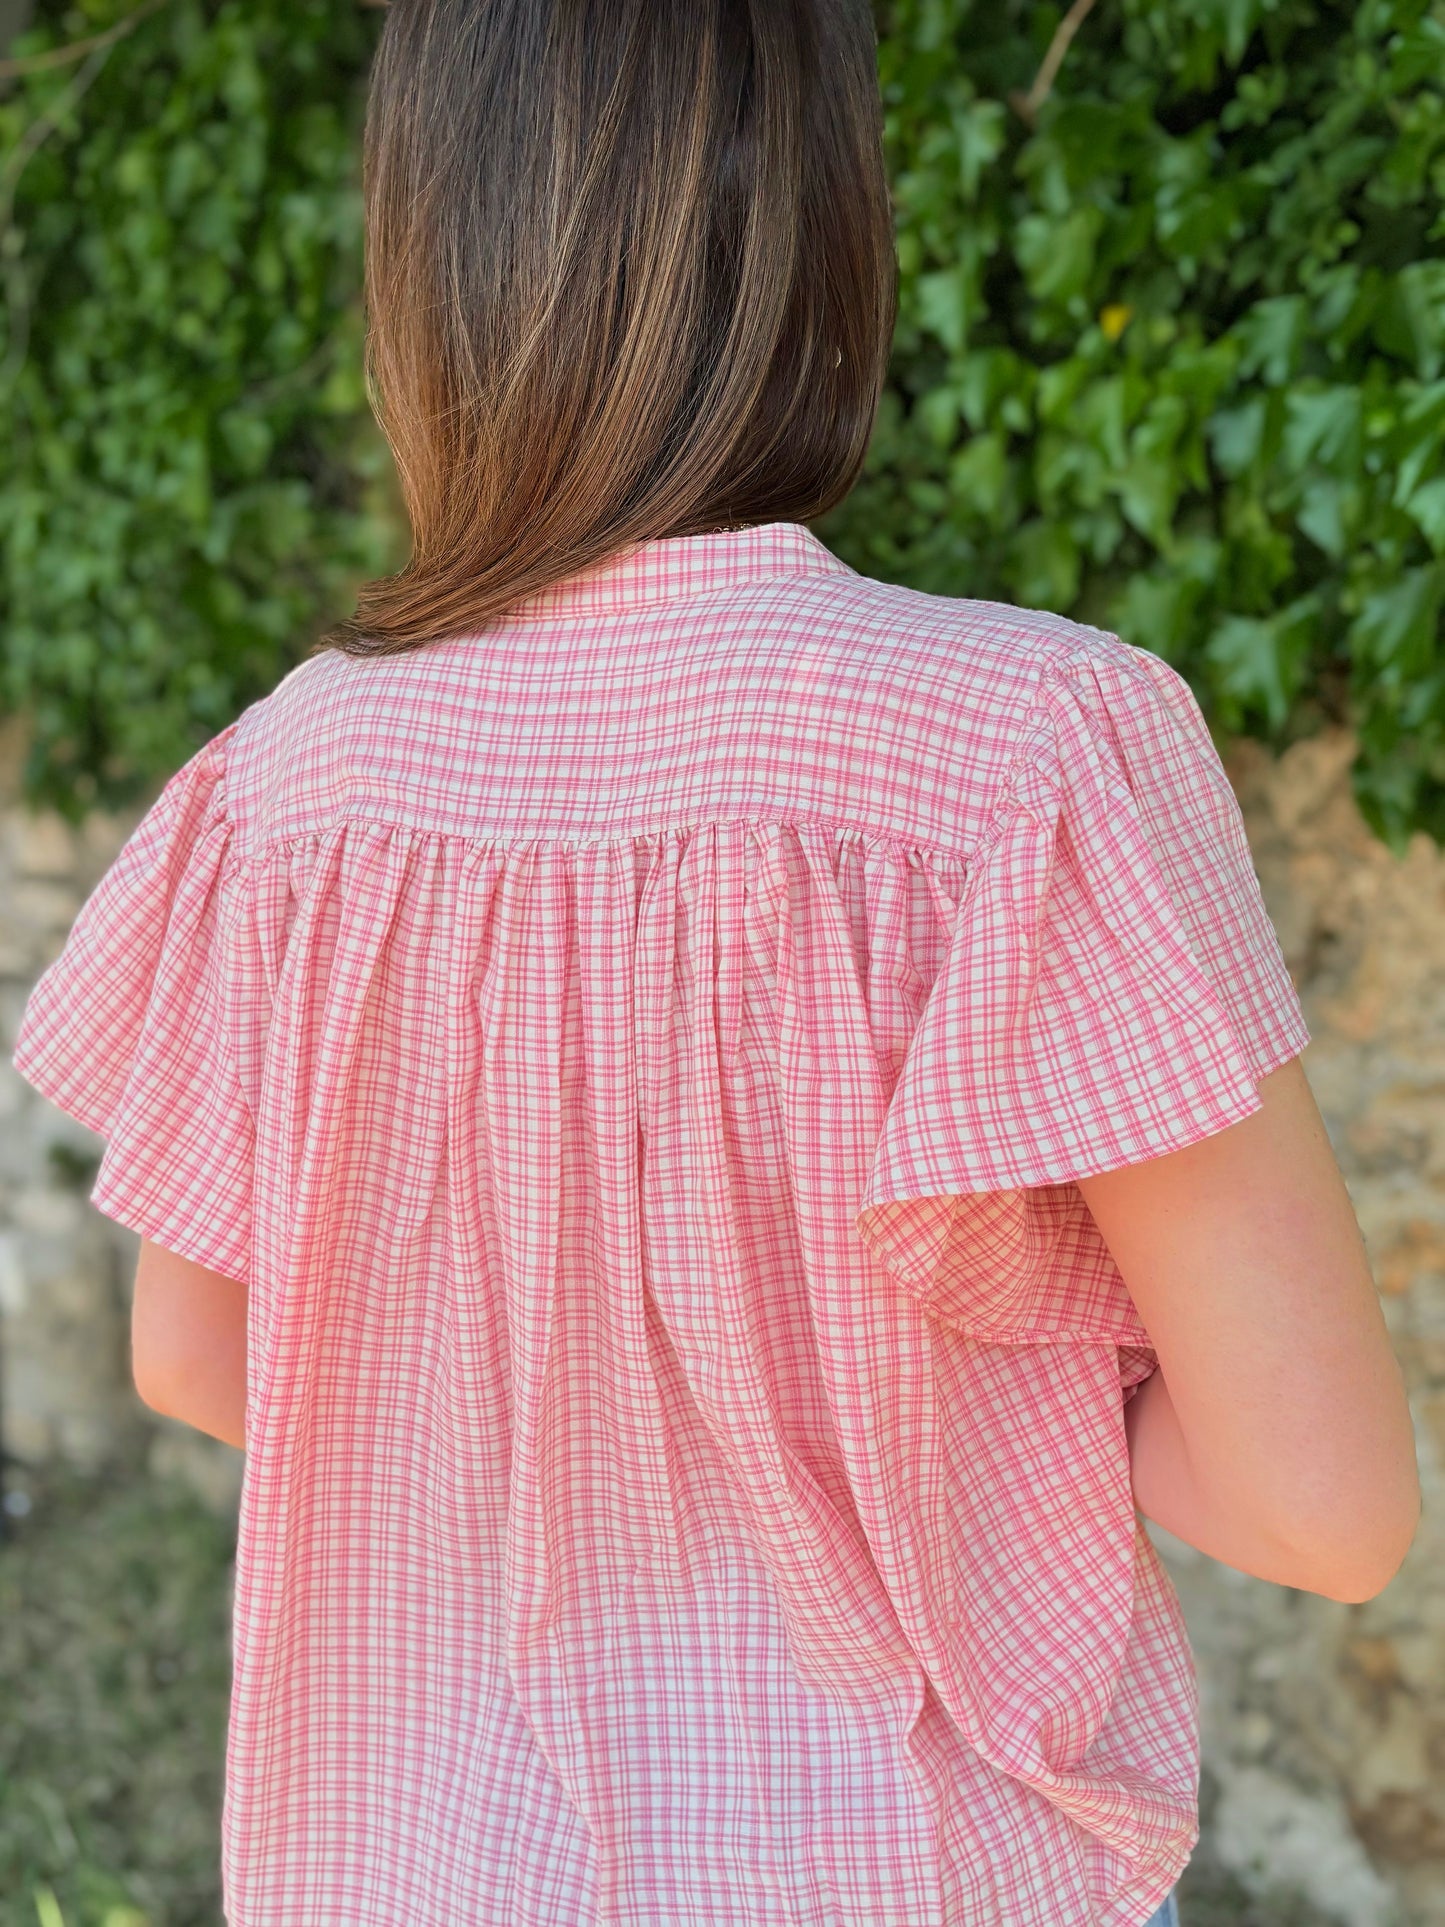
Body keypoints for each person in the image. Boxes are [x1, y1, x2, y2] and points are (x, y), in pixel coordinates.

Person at [10, 3, 1419, 1923]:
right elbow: (1317, 1506)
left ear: (421, 259)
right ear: (822, 228)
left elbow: (195, 1356)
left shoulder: (286, 793)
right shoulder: (1027, 754)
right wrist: (938, 1442)